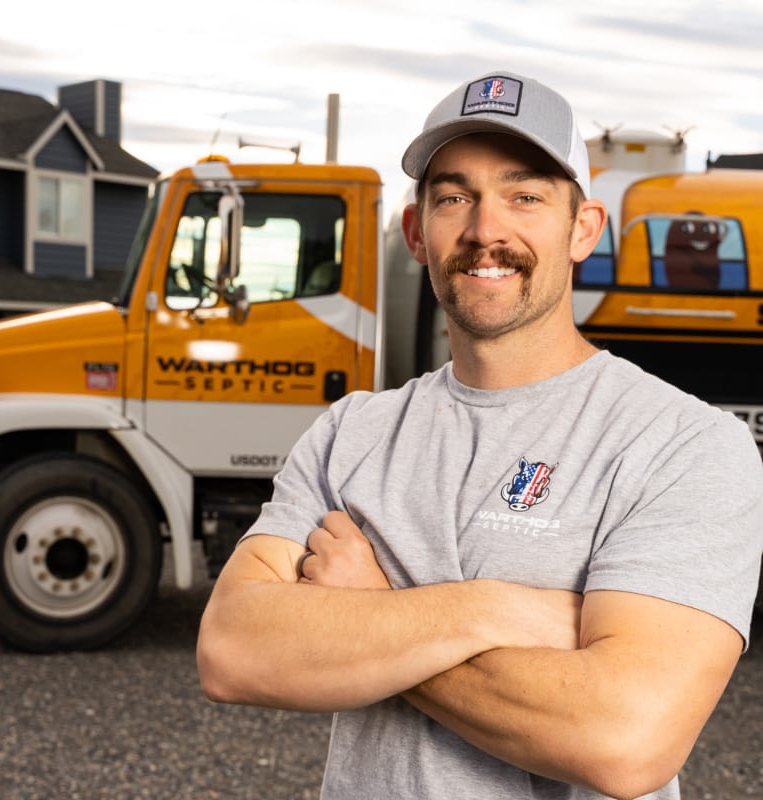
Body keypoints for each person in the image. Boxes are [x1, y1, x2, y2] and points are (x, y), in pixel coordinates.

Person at [196, 70, 763, 799]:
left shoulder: (681, 443)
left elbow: (627, 739)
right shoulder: (352, 433)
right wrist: (500, 609)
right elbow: (233, 651)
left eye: (524, 196)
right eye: (454, 197)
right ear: (416, 233)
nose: (485, 229)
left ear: (582, 228)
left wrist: (371, 611)